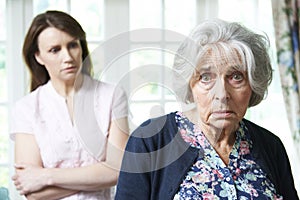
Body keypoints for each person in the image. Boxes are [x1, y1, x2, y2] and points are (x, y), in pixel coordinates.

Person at [115, 19, 299, 199]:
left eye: (236, 77)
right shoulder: (150, 141)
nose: (222, 94)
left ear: (253, 84)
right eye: (206, 77)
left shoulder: (271, 146)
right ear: (190, 85)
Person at [10, 10, 129, 200]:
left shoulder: (112, 95)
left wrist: (45, 176)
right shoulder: (26, 108)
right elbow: (33, 193)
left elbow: (118, 171)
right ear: (38, 57)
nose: (68, 57)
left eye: (72, 45)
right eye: (55, 50)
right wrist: (98, 177)